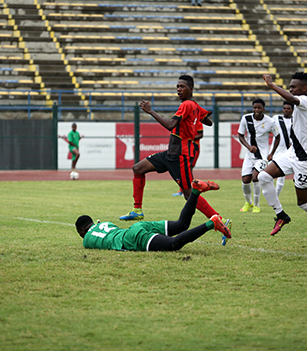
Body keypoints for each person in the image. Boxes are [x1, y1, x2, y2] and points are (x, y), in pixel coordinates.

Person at [119, 75, 231, 240]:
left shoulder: (186, 105)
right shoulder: (193, 105)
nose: (178, 89)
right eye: (177, 86)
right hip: (168, 154)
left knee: (189, 194)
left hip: (180, 157)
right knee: (138, 168)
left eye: (182, 87)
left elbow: (170, 125)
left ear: (191, 89)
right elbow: (209, 122)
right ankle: (137, 210)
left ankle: (220, 220)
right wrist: (197, 116)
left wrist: (151, 111)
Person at [260, 72, 307, 251]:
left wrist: (271, 85)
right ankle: (281, 215)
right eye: (290, 86)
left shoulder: (306, 102)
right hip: (292, 155)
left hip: (305, 162)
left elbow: (292, 100)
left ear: (304, 88)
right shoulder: (306, 108)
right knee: (264, 177)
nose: (291, 89)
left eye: (294, 87)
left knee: (303, 202)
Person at [76, 179, 231, 251]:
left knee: (174, 244)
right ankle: (195, 191)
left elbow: (96, 239)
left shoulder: (86, 241)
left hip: (131, 239)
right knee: (181, 225)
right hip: (136, 227)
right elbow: (109, 230)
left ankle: (212, 223)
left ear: (82, 232)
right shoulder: (105, 224)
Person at [238, 98, 280, 214]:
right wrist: (248, 147)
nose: (257, 110)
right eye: (255, 107)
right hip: (249, 154)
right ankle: (248, 202)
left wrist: (271, 153)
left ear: (263, 109)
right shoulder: (246, 118)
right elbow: (240, 135)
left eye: (259, 108)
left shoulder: (270, 122)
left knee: (255, 177)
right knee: (245, 180)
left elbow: (278, 136)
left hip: (263, 156)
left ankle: (256, 205)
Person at [173, 118, 203, 196]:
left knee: (189, 168)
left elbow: (201, 135)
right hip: (185, 147)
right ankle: (183, 190)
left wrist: (190, 138)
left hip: (194, 147)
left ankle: (189, 190)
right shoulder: (183, 122)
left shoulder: (198, 123)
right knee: (184, 168)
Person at [271, 102, 294, 196]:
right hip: (275, 150)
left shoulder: (295, 120)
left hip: (288, 151)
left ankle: (276, 196)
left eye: (288, 108)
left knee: (281, 176)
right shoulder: (276, 118)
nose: (286, 110)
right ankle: (271, 194)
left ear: (292, 110)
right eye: (285, 108)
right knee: (268, 174)